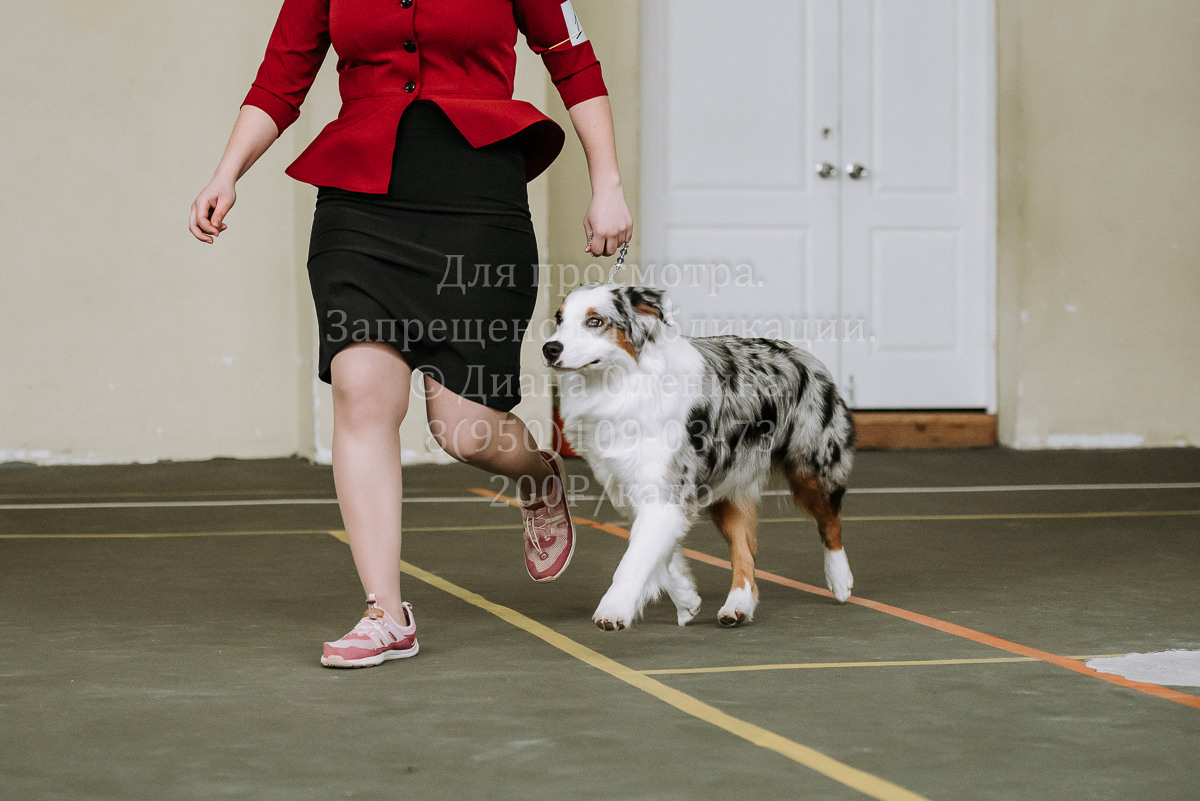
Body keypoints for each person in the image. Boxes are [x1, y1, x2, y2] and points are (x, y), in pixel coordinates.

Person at [188, 0, 633, 668]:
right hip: (359, 203)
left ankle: (538, 475)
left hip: (477, 203)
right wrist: (226, 172)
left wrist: (608, 184)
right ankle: (385, 612)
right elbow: (281, 79)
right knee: (360, 389)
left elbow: (572, 57)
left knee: (463, 431)